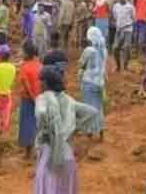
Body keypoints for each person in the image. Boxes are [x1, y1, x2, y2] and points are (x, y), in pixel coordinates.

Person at [34, 65, 98, 194]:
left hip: (50, 156)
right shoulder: (69, 101)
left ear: (45, 83)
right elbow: (92, 112)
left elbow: (41, 113)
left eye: (40, 81)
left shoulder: (43, 98)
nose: (39, 84)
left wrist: (47, 128)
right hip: (67, 155)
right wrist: (73, 128)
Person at [78, 26, 107, 141]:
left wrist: (80, 74)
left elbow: (81, 64)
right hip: (100, 82)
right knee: (99, 107)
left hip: (89, 82)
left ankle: (89, 132)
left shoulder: (88, 50)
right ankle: (101, 132)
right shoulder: (103, 49)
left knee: (89, 107)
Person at [18, 41, 42, 159]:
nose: (20, 53)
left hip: (28, 99)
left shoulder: (24, 67)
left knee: (27, 124)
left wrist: (32, 98)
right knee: (37, 124)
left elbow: (26, 85)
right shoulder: (39, 64)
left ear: (27, 53)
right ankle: (39, 150)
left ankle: (28, 152)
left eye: (22, 51)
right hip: (39, 98)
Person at [112, 0, 136, 72]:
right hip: (118, 30)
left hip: (128, 30)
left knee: (126, 47)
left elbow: (134, 18)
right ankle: (118, 66)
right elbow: (115, 16)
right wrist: (119, 25)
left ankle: (126, 65)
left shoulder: (130, 7)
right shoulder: (116, 6)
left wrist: (128, 25)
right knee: (115, 48)